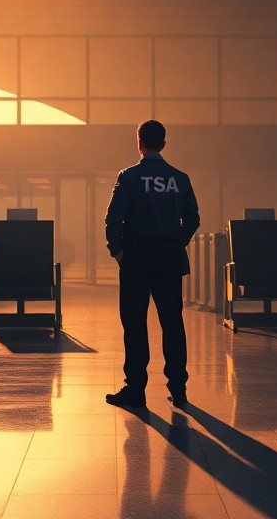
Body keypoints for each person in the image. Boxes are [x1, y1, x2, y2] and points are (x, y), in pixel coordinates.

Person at [104, 119, 200, 409]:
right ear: (164, 143)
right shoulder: (179, 178)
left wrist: (118, 252)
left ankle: (135, 389)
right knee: (172, 324)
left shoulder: (129, 176)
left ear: (139, 143)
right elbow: (192, 219)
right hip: (169, 259)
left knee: (134, 324)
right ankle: (178, 389)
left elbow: (113, 218)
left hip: (137, 258)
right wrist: (175, 242)